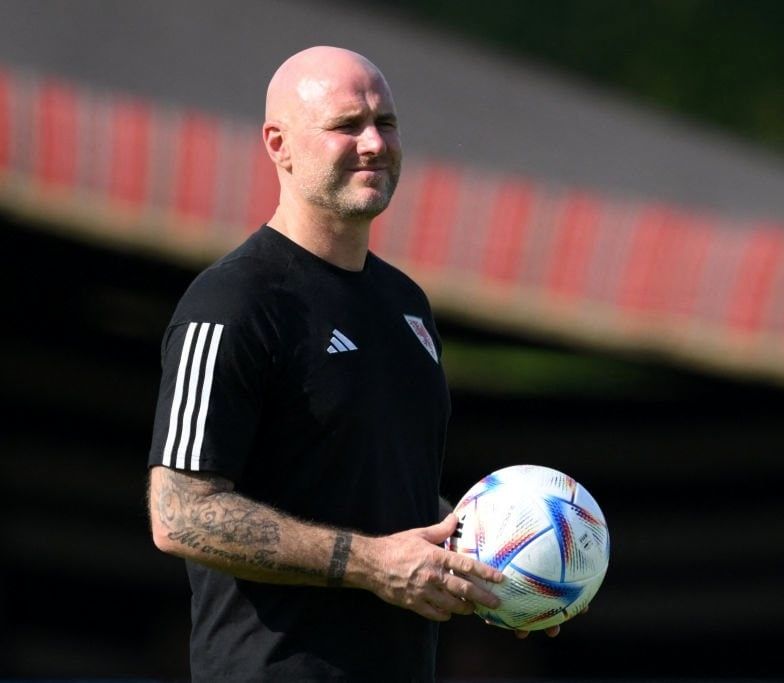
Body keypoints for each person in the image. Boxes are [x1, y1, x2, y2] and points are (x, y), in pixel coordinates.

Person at [146, 46, 554, 681]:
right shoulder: (233, 302)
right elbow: (179, 514)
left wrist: (507, 564)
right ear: (278, 144)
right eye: (346, 126)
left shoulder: (406, 304)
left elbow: (386, 492)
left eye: (385, 123)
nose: (374, 144)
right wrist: (370, 563)